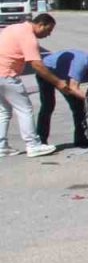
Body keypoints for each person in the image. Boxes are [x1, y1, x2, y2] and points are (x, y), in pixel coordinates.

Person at [0, 13, 66, 157]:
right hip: (7, 75)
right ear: (40, 24)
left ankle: (1, 145)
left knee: (4, 111)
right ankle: (33, 145)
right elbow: (37, 65)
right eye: (48, 30)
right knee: (25, 109)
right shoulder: (29, 38)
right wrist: (58, 82)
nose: (48, 34)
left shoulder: (14, 28)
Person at [36, 50, 88, 148]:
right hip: (46, 71)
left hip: (64, 75)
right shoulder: (81, 63)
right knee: (48, 105)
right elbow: (73, 88)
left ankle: (81, 140)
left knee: (79, 107)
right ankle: (40, 140)